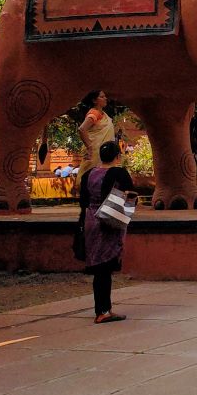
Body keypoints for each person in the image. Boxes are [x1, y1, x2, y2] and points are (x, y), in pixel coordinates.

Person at [78, 141, 134, 324]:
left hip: (91, 219)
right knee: (105, 266)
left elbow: (83, 200)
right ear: (118, 156)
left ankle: (102, 308)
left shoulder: (88, 174)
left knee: (98, 265)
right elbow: (131, 195)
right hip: (110, 220)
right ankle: (103, 311)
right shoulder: (119, 173)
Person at [77, 91, 115, 176]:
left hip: (102, 152)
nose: (105, 98)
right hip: (95, 151)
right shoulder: (94, 113)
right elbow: (82, 129)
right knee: (89, 176)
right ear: (94, 100)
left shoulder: (103, 114)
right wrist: (90, 148)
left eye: (105, 96)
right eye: (102, 97)